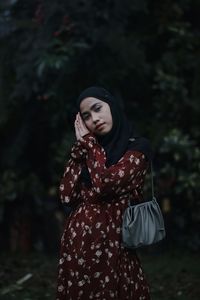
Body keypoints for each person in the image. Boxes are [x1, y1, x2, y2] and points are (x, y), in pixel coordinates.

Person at [56, 86, 152, 300]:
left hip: (114, 244)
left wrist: (90, 147)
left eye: (98, 108)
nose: (95, 119)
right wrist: (81, 151)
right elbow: (66, 194)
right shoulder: (89, 150)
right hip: (78, 245)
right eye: (87, 116)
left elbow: (104, 184)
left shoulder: (137, 148)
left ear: (112, 106)